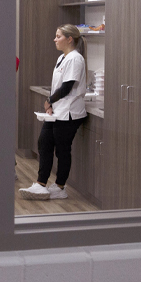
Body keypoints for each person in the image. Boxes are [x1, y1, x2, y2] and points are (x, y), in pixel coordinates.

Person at [19, 24, 87, 201]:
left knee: (62, 150)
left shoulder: (75, 59)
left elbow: (67, 87)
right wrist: (50, 104)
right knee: (44, 142)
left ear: (69, 39)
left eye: (58, 36)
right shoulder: (62, 58)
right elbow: (57, 86)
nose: (55, 39)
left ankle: (60, 187)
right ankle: (41, 184)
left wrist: (49, 101)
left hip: (69, 113)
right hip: (58, 111)